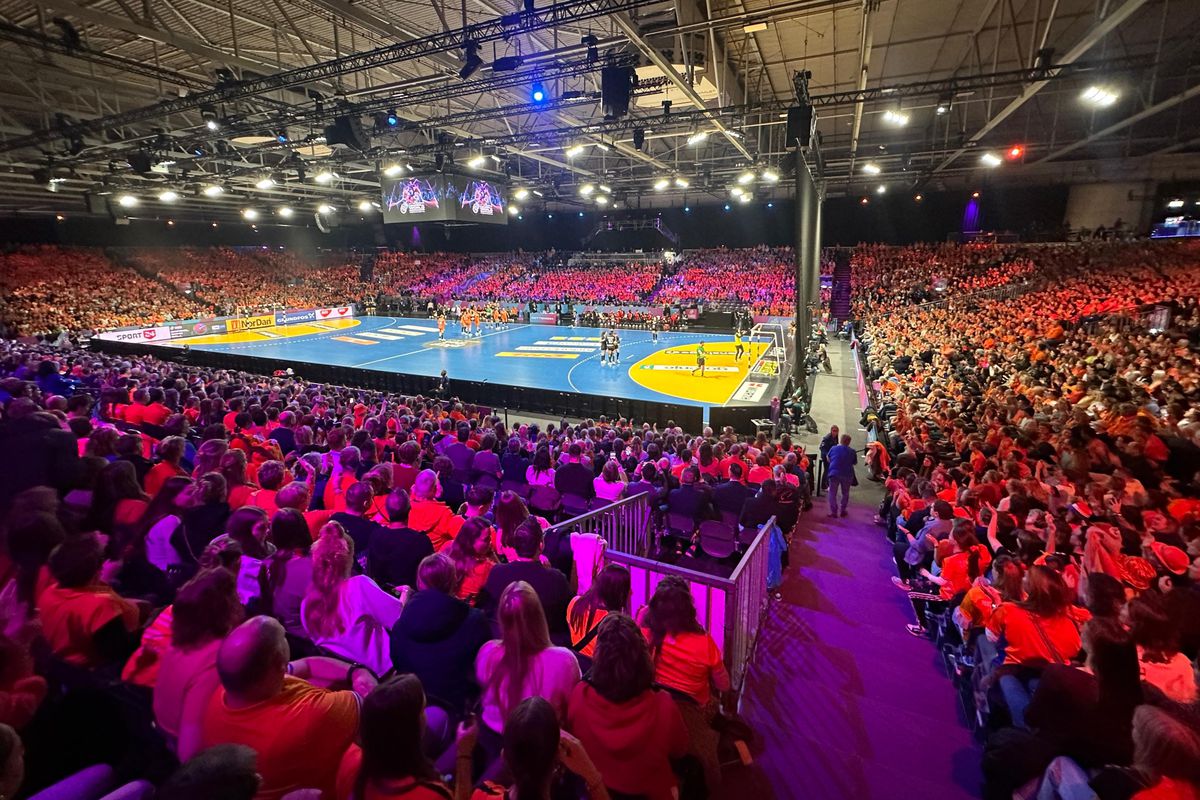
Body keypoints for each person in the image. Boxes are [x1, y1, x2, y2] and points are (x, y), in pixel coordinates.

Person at [200, 616, 372, 800]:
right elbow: (371, 704)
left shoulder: (229, 692)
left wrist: (354, 672)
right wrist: (363, 674)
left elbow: (307, 666)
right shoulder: (309, 715)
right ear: (279, 662)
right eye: (284, 636)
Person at [566, 614, 689, 800]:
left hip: (598, 793)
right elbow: (680, 749)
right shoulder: (663, 705)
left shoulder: (580, 697)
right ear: (643, 658)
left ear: (599, 657)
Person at [475, 582, 580, 761]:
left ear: (501, 619)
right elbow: (572, 711)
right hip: (540, 754)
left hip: (491, 748)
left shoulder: (487, 652)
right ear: (539, 617)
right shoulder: (563, 661)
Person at [153, 567, 244, 760]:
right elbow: (189, 751)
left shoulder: (180, 643)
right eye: (236, 596)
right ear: (227, 608)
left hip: (162, 735)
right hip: (183, 752)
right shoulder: (216, 660)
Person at [389, 554, 491, 719]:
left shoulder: (401, 624)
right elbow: (483, 669)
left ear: (419, 583)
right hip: (457, 711)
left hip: (412, 707)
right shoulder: (475, 621)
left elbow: (397, 661)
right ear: (453, 581)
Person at [302, 521, 406, 675]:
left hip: (343, 677)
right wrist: (406, 594)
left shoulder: (306, 604)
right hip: (380, 674)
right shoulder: (359, 586)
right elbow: (399, 621)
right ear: (348, 560)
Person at [334, 674, 453, 800]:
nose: (425, 715)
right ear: (410, 730)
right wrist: (464, 756)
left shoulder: (349, 757)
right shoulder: (432, 795)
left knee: (437, 716)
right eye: (422, 709)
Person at [37, 532, 140, 670]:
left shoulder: (49, 592)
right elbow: (119, 652)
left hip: (60, 667)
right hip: (89, 673)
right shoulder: (99, 606)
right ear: (97, 570)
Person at [477, 519, 571, 641]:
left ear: (515, 545)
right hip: (542, 642)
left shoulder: (496, 572)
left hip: (503, 640)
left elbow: (487, 610)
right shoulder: (556, 579)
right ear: (541, 545)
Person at [369, 488, 435, 592]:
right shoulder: (421, 541)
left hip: (378, 595)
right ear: (409, 509)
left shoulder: (375, 535)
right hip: (410, 598)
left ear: (387, 509)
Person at [566, 564, 631, 659]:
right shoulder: (615, 624)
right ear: (618, 591)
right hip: (598, 667)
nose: (631, 592)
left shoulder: (575, 603)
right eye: (627, 588)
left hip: (577, 663)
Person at [445, 517, 498, 603]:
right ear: (471, 541)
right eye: (486, 539)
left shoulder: (447, 548)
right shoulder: (487, 567)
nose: (490, 542)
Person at [826, 434, 857, 518]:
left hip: (834, 473)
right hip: (847, 474)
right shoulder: (852, 451)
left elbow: (828, 458)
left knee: (832, 493)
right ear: (849, 442)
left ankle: (834, 512)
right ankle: (843, 510)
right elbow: (854, 462)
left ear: (841, 440)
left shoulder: (833, 448)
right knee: (845, 493)